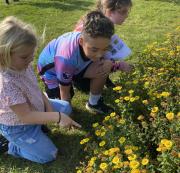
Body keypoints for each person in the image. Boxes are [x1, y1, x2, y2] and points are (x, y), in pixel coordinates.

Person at [0, 16, 81, 163]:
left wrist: (50, 111)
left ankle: (40, 128)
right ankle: (12, 146)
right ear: (3, 55)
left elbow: (36, 89)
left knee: (66, 107)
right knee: (48, 155)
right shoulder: (6, 84)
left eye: (32, 55)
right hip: (20, 127)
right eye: (25, 57)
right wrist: (57, 117)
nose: (31, 60)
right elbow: (26, 117)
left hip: (35, 107)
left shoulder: (22, 65)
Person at [37, 11, 114, 114]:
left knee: (102, 68)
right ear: (81, 42)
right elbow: (64, 92)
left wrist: (110, 62)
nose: (100, 55)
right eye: (94, 50)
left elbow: (106, 56)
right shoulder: (66, 58)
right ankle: (45, 97)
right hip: (53, 72)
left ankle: (94, 104)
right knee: (63, 100)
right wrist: (67, 114)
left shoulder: (95, 41)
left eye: (105, 49)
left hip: (74, 67)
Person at [74, 0, 133, 87]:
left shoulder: (100, 23)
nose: (127, 15)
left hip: (85, 63)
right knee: (104, 65)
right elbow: (94, 56)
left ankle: (105, 81)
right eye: (123, 12)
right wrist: (118, 65)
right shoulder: (95, 30)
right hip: (79, 69)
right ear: (109, 12)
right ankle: (94, 97)